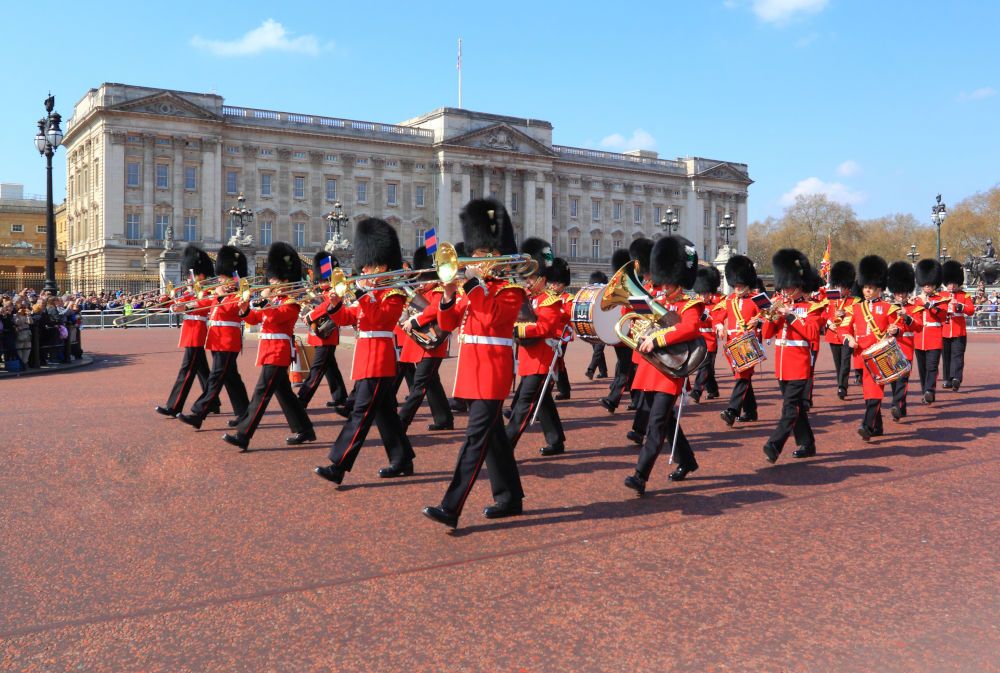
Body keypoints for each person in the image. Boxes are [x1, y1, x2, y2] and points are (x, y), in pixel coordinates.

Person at [422, 198, 526, 529]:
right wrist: (450, 293)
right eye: (476, 253)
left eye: (482, 254)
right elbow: (448, 323)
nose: (476, 259)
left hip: (493, 371)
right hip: (473, 369)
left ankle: (450, 506)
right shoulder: (472, 288)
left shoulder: (511, 289)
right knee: (493, 438)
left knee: (475, 439)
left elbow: (494, 319)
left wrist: (470, 285)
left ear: (498, 255)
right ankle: (510, 497)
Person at [313, 218, 416, 484]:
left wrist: (363, 295)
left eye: (369, 265)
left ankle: (338, 465)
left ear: (382, 266)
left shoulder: (394, 293)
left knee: (360, 414)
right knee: (385, 414)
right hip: (367, 358)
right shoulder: (370, 294)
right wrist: (334, 306)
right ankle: (402, 459)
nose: (365, 270)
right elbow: (351, 317)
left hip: (379, 359)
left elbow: (381, 320)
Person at [623, 236, 703, 495]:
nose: (664, 287)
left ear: (678, 280)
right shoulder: (657, 299)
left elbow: (689, 327)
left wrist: (658, 337)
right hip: (649, 369)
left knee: (656, 425)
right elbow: (636, 319)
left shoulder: (691, 304)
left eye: (668, 282)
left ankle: (640, 475)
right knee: (665, 422)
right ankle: (687, 460)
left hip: (670, 372)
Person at [222, 242, 315, 451]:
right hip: (269, 349)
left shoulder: (291, 301)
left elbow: (276, 318)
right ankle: (305, 429)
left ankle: (244, 434)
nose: (269, 282)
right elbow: (256, 319)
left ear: (284, 280)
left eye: (273, 278)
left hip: (279, 351)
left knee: (261, 392)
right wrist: (245, 310)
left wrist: (266, 301)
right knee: (284, 393)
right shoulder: (275, 299)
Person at [759, 249, 825, 462]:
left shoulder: (812, 308)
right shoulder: (779, 306)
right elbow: (767, 334)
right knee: (797, 409)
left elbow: (813, 334)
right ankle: (807, 443)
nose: (786, 291)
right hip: (781, 366)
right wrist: (771, 317)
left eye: (790, 287)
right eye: (784, 286)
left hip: (799, 366)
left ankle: (774, 445)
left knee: (789, 409)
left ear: (799, 286)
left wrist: (791, 317)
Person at [506, 238, 570, 457]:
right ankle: (556, 440)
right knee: (543, 401)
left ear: (542, 278)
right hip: (528, 358)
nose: (527, 282)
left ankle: (505, 447)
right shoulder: (528, 298)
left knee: (524, 405)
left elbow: (544, 328)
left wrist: (519, 330)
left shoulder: (549, 301)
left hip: (542, 359)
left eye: (531, 278)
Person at [177, 245, 251, 430]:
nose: (219, 280)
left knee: (216, 378)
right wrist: (185, 307)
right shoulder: (221, 293)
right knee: (231, 378)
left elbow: (233, 311)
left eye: (223, 277)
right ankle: (244, 414)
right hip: (217, 340)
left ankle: (198, 413)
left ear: (233, 277)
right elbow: (203, 304)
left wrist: (220, 296)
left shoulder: (239, 293)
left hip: (228, 341)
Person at [839, 256, 903, 441]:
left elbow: (900, 326)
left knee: (874, 391)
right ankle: (878, 427)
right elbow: (843, 327)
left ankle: (867, 425)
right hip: (861, 355)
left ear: (879, 289)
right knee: (868, 391)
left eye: (871, 288)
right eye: (866, 287)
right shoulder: (855, 308)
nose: (867, 291)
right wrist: (848, 338)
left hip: (881, 355)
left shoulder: (888, 308)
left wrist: (895, 329)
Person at [155, 245, 219, 418]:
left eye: (194, 275)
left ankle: (174, 405)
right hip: (190, 331)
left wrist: (186, 305)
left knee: (187, 370)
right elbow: (177, 304)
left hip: (198, 332)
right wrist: (166, 300)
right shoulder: (191, 291)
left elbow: (206, 304)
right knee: (200, 369)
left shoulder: (209, 290)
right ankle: (213, 402)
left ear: (202, 275)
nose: (190, 278)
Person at [397, 246, 455, 432]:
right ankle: (444, 418)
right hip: (419, 343)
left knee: (420, 385)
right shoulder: (422, 290)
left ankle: (402, 421)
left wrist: (415, 321)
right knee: (431, 383)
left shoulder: (438, 289)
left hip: (432, 344)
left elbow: (435, 309)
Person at [296, 251, 349, 409]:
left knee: (316, 370)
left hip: (327, 335)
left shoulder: (334, 291)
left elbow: (327, 306)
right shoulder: (321, 291)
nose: (322, 282)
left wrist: (311, 314)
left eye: (324, 279)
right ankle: (340, 397)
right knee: (330, 368)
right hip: (319, 334)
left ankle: (302, 399)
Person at [716, 255, 762, 427]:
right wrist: (720, 326)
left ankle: (732, 411)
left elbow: (770, 315)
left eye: (740, 285)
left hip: (748, 342)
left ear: (747, 284)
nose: (737, 288)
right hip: (732, 344)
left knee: (742, 376)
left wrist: (759, 320)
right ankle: (751, 411)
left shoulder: (756, 298)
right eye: (735, 285)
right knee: (743, 376)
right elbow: (717, 316)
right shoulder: (729, 300)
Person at [599, 248, 637, 414]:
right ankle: (636, 401)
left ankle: (613, 400)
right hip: (620, 333)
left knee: (625, 369)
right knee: (629, 368)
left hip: (631, 334)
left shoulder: (635, 288)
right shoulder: (618, 288)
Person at [886, 261, 922, 421]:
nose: (901, 295)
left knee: (903, 379)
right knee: (895, 380)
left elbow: (919, 326)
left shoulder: (914, 308)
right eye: (898, 293)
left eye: (904, 293)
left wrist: (906, 317)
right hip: (892, 348)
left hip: (907, 347)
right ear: (894, 293)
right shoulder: (888, 308)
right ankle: (901, 407)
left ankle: (896, 404)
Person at [913, 259, 946, 404]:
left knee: (932, 366)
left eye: (930, 284)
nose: (927, 287)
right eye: (925, 284)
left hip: (934, 336)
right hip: (919, 337)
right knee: (922, 368)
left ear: (935, 285)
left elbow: (943, 315)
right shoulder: (915, 300)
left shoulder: (941, 299)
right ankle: (925, 392)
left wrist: (930, 306)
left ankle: (929, 390)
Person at [824, 261, 857, 400]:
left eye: (842, 287)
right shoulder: (830, 299)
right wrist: (828, 323)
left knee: (845, 361)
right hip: (833, 334)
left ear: (847, 288)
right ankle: (840, 383)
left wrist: (845, 314)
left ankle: (842, 387)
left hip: (847, 335)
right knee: (838, 363)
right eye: (838, 286)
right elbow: (823, 313)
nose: (839, 289)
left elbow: (856, 316)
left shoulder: (854, 301)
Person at [689, 266, 722, 404]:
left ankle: (696, 392)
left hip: (710, 341)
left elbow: (718, 318)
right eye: (701, 293)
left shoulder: (717, 303)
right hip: (697, 340)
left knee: (704, 366)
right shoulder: (694, 303)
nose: (703, 296)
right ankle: (713, 389)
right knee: (708, 369)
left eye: (706, 293)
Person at [940, 260, 974, 391]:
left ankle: (956, 378)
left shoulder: (964, 295)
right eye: (949, 283)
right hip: (944, 331)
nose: (951, 286)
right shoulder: (941, 296)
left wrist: (960, 306)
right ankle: (948, 379)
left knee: (958, 356)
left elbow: (971, 310)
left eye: (954, 283)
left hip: (959, 331)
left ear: (958, 282)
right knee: (946, 357)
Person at [548, 258, 574, 400]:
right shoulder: (548, 297)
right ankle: (565, 390)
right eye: (552, 283)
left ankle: (546, 390)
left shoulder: (568, 298)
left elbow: (568, 315)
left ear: (563, 284)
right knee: (559, 362)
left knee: (553, 363)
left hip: (562, 335)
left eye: (556, 283)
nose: (552, 286)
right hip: (550, 334)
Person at [584, 270, 610, 380]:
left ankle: (591, 370)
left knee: (598, 349)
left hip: (604, 325)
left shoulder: (606, 294)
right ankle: (603, 371)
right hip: (593, 324)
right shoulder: (591, 295)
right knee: (596, 348)